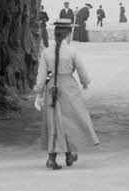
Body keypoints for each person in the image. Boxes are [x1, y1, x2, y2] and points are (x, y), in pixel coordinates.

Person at [34, 19, 99, 169]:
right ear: (68, 34)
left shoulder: (46, 53)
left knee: (54, 123)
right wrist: (85, 83)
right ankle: (70, 153)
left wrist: (38, 93)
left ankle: (54, 158)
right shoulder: (72, 52)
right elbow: (83, 73)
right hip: (69, 88)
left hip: (52, 89)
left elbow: (42, 77)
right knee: (72, 121)